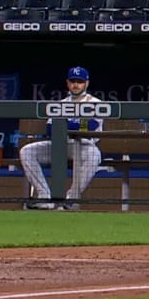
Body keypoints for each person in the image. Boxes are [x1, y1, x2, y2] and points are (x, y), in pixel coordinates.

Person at [20, 67, 103, 210]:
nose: (76, 84)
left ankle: (71, 199)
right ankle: (44, 197)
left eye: (80, 81)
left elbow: (91, 125)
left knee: (94, 155)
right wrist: (75, 125)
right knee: (27, 151)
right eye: (73, 81)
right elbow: (50, 129)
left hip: (84, 146)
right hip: (60, 145)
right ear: (67, 83)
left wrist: (66, 124)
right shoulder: (60, 104)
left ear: (86, 83)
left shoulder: (95, 102)